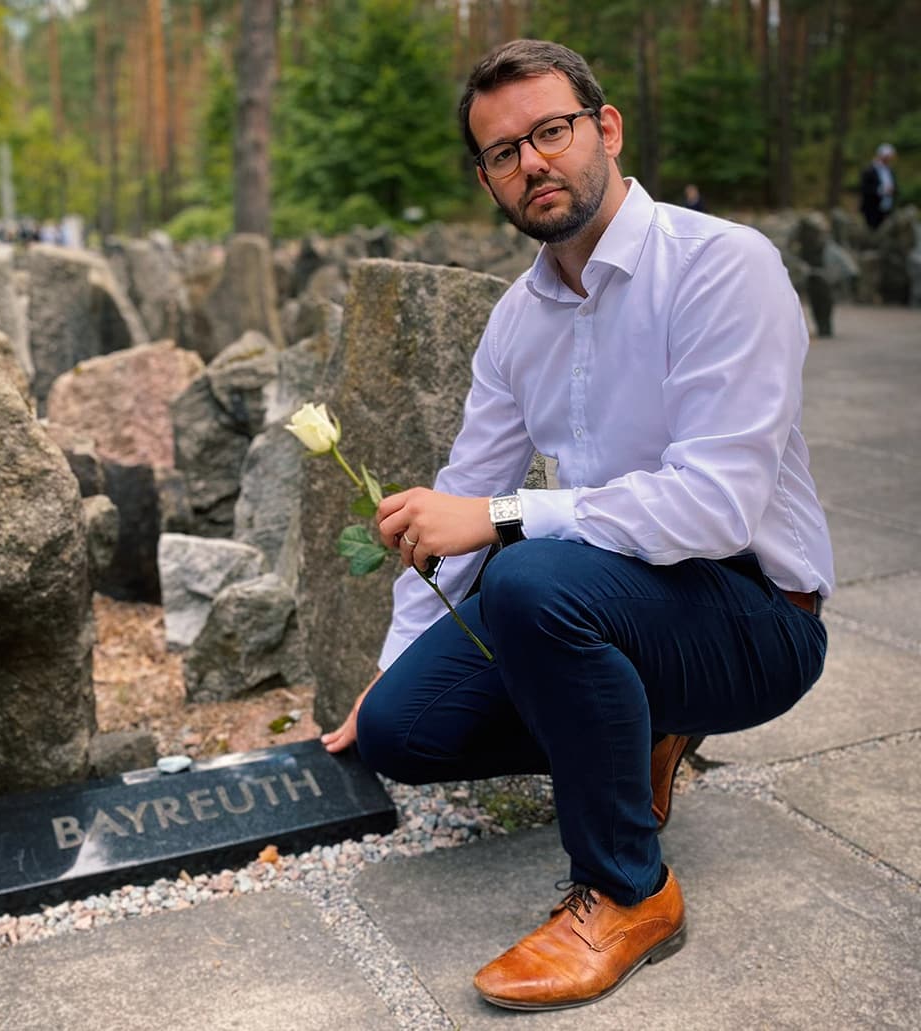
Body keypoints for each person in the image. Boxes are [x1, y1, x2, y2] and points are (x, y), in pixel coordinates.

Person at [320, 39, 833, 1012]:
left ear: (605, 129)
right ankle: (640, 723)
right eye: (502, 153)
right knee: (401, 727)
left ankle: (631, 887)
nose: (531, 164)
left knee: (528, 575)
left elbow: (714, 501)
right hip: (619, 601)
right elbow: (457, 499)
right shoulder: (518, 320)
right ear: (488, 179)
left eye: (549, 132)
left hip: (760, 613)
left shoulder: (725, 266)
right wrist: (391, 664)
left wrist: (506, 517)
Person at [860, 143, 896, 229]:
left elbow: (895, 186)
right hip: (872, 208)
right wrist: (881, 190)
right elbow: (864, 188)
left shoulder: (889, 170)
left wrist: (893, 190)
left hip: (887, 206)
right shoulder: (869, 170)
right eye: (887, 157)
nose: (889, 159)